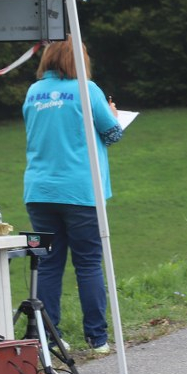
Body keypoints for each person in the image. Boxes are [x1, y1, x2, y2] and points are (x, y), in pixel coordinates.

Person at [22, 39, 123, 353]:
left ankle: (49, 337)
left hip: (39, 191)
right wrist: (114, 115)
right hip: (80, 191)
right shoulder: (86, 89)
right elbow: (112, 133)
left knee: (47, 264)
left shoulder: (33, 92)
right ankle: (97, 337)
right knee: (88, 263)